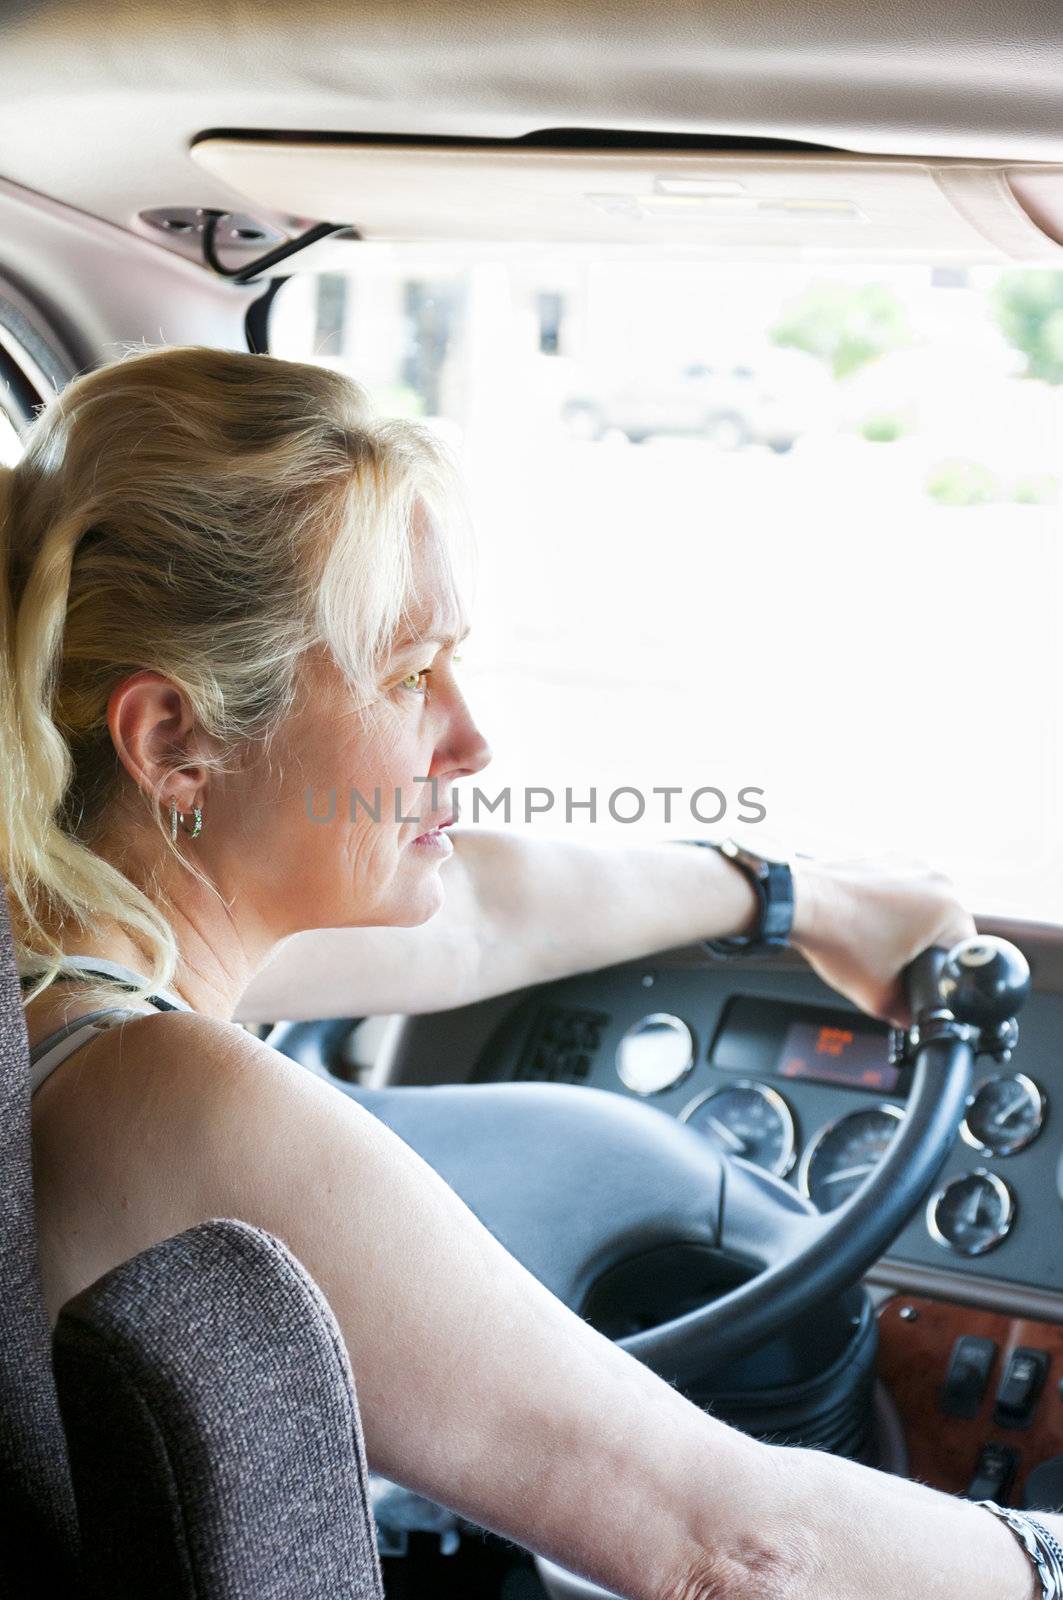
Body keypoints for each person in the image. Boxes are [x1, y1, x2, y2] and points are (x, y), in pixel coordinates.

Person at [0, 344, 1048, 1600]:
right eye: (404, 674)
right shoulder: (174, 1100)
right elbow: (739, 1554)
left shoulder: (55, 951)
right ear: (177, 738)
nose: (473, 735)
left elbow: (479, 912)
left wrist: (799, 896)